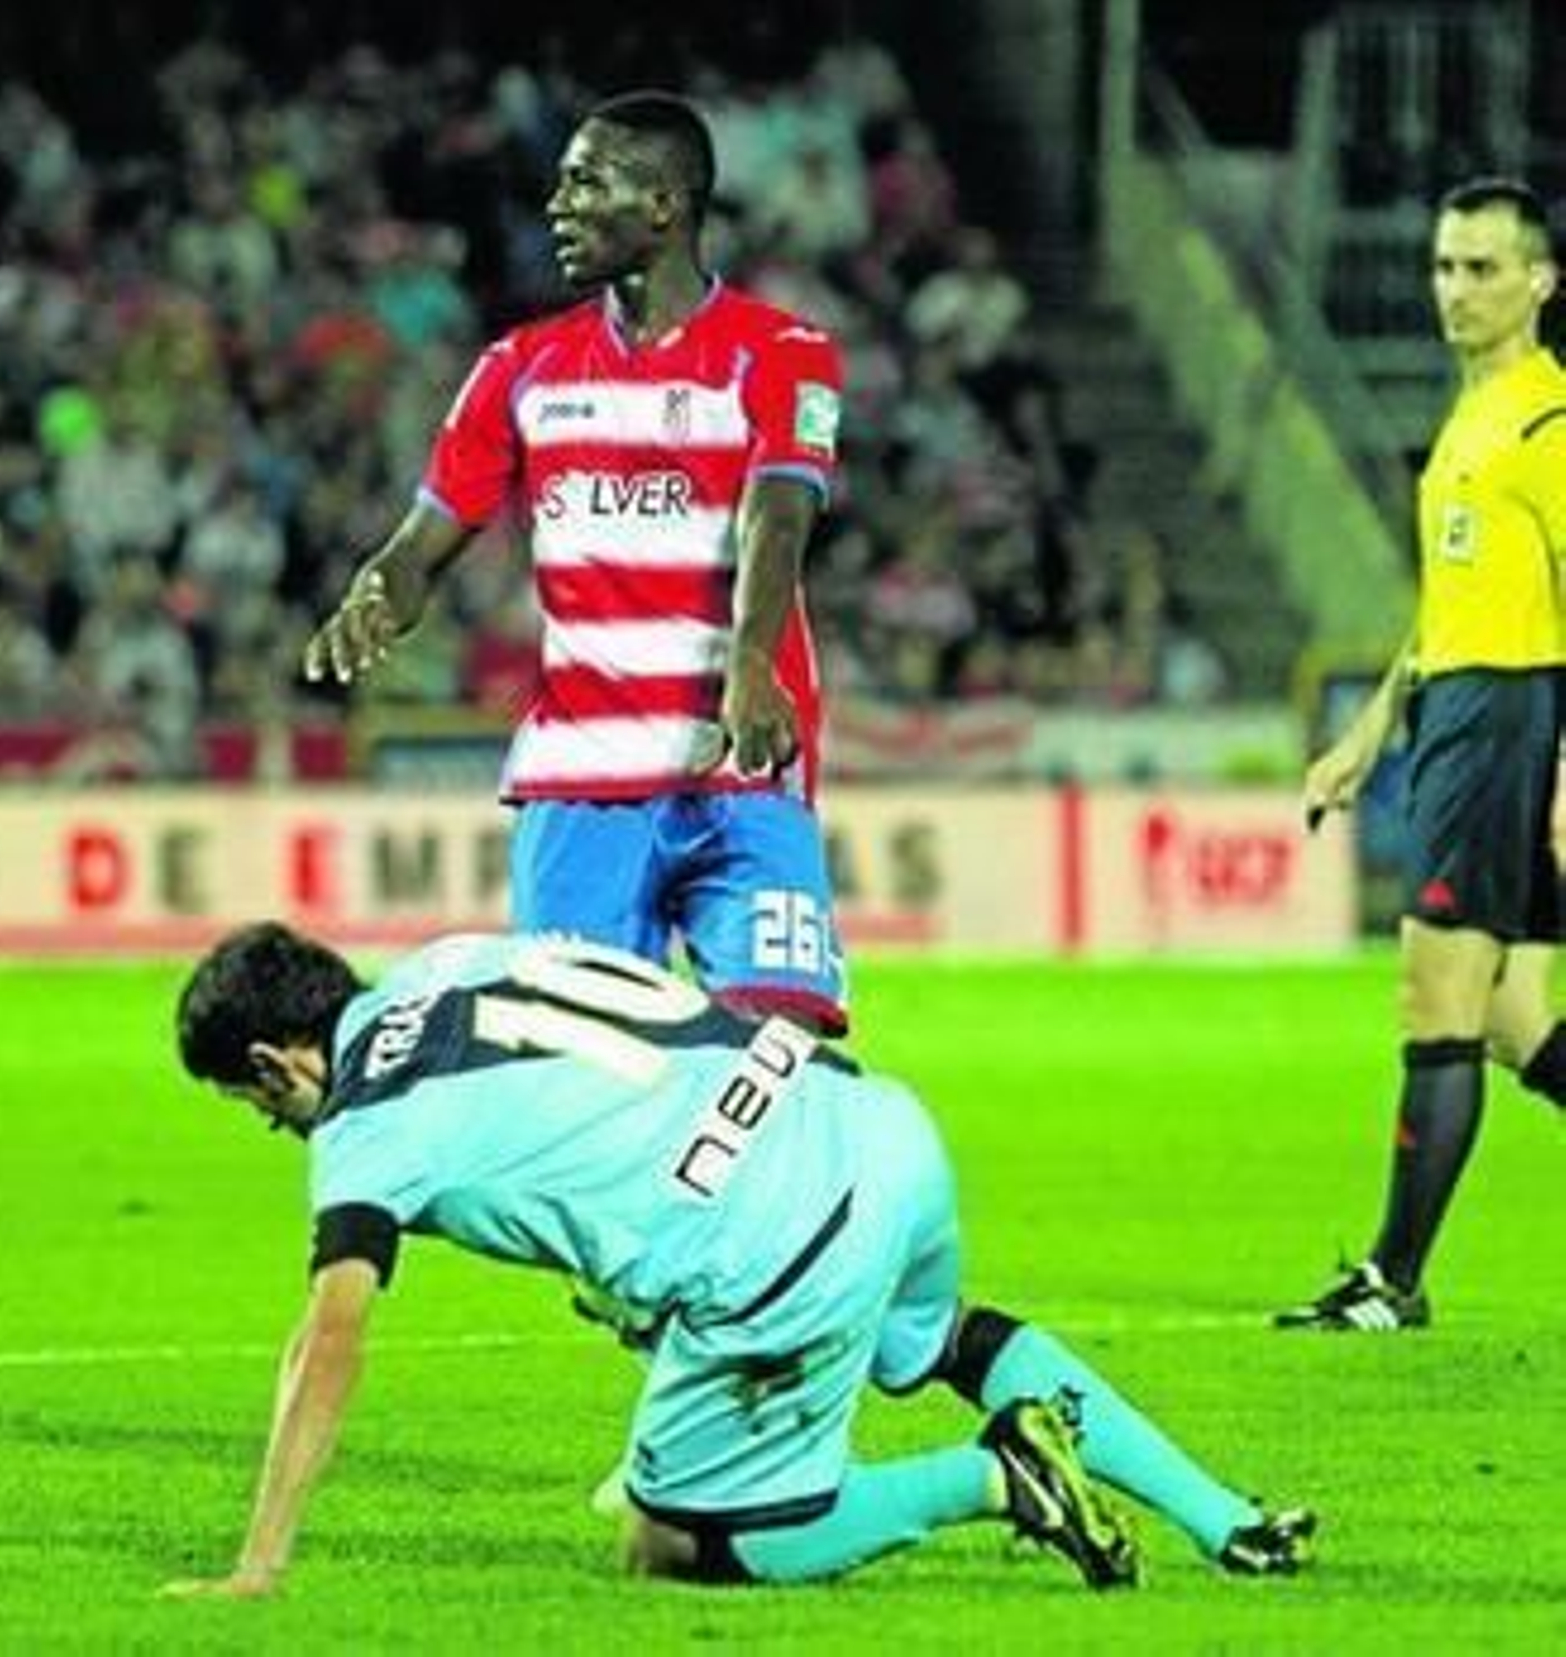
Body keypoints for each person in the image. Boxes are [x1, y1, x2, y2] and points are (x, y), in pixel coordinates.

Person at [162, 922, 1316, 1598]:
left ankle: (993, 1479)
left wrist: (259, 1560)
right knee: (947, 1336)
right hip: (872, 1126)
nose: (273, 1127)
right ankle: (1227, 1519)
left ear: (275, 1063)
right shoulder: (447, 957)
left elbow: (333, 1333)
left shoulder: (367, 1127)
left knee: (666, 1539)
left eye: (251, 1103)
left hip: (779, 1241)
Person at [302, 89, 848, 1037]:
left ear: (666, 205)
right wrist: (379, 588)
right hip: (580, 781)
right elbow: (423, 540)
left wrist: (750, 662)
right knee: (589, 1066)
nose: (557, 208)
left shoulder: (783, 353)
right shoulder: (520, 369)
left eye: (586, 184)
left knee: (780, 1046)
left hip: (742, 763)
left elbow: (778, 516)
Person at [1277, 177, 1566, 1331]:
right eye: (1445, 266)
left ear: (1539, 280)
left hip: (1507, 721)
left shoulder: (1546, 420)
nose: (1455, 289)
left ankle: (1393, 1280)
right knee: (1510, 1016)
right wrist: (1366, 729)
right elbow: (1451, 603)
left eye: (1482, 268)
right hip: (1461, 706)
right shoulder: (1475, 415)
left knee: (1433, 995)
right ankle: (1395, 1277)